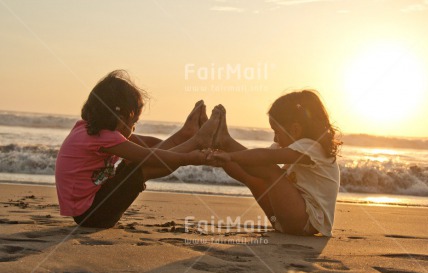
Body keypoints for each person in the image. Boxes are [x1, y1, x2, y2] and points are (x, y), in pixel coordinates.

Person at [55, 70, 220, 228]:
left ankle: (187, 134)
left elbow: (146, 145)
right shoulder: (103, 137)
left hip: (91, 209)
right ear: (120, 118)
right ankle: (196, 140)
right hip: (94, 215)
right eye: (133, 123)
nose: (133, 129)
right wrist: (188, 157)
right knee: (141, 166)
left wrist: (180, 140)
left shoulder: (90, 131)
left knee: (141, 161)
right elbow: (148, 156)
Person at [208, 91, 341, 236]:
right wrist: (226, 157)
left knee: (271, 171)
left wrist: (231, 156)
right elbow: (256, 159)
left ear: (295, 130)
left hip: (308, 221)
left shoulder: (311, 147)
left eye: (276, 132)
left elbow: (265, 157)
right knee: (253, 178)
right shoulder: (290, 146)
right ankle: (224, 143)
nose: (275, 138)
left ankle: (226, 143)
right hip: (288, 220)